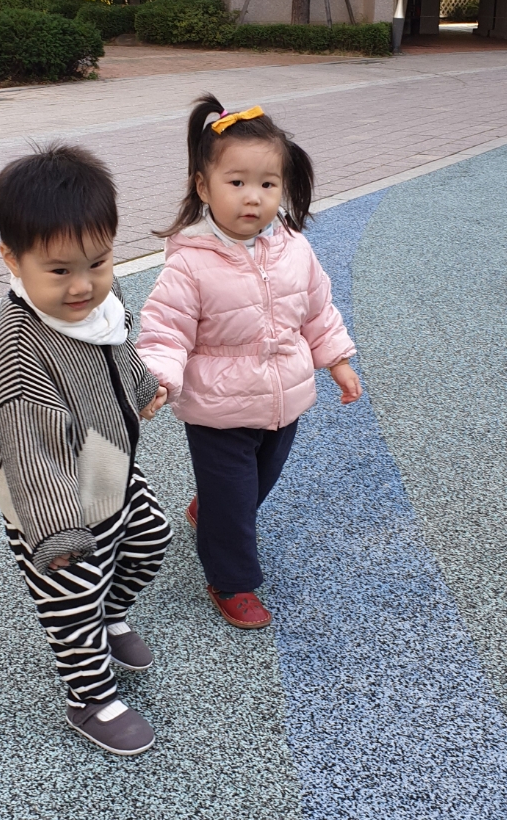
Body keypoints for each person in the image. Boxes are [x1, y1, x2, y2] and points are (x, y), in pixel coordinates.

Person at [136, 94, 361, 630]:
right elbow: (165, 330)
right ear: (203, 187)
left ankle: (210, 509)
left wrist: (337, 359)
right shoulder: (190, 263)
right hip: (218, 409)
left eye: (268, 184)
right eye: (236, 182)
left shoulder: (294, 248)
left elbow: (317, 309)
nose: (253, 197)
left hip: (284, 399)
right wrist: (158, 378)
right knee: (236, 499)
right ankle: (231, 580)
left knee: (258, 482)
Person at [0, 144, 170, 755]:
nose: (83, 286)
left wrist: (140, 383)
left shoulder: (96, 306)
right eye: (59, 271)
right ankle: (88, 696)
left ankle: (112, 616)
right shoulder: (21, 352)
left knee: (152, 537)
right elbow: (29, 451)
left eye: (98, 262)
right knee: (72, 596)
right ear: (13, 259)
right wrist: (58, 531)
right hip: (51, 500)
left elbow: (115, 346)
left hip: (106, 463)